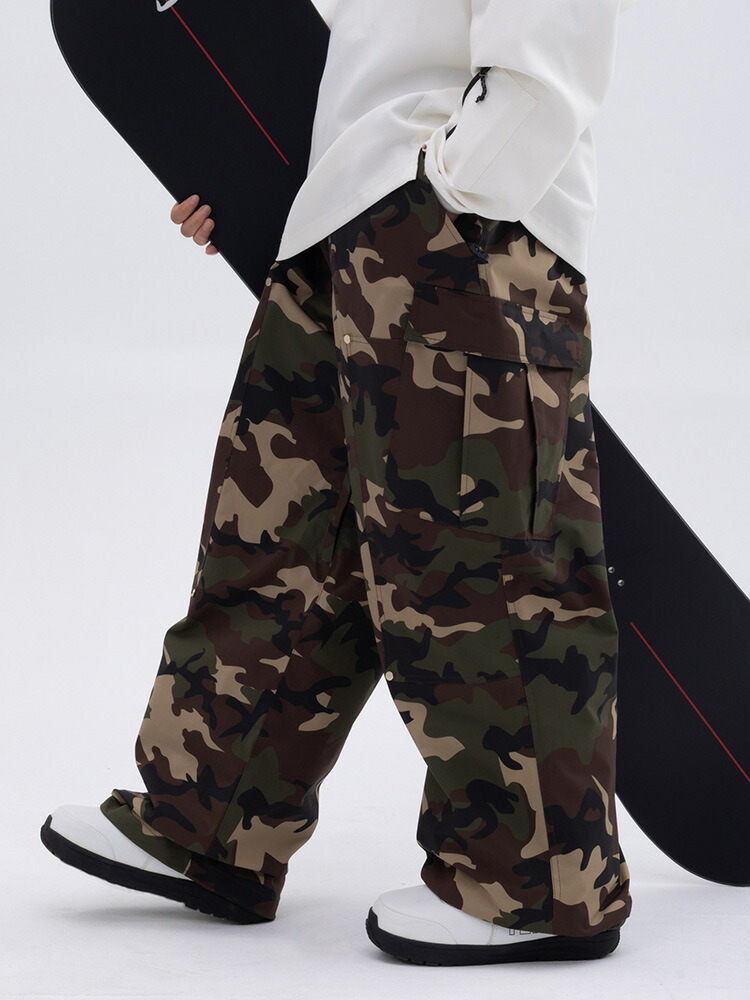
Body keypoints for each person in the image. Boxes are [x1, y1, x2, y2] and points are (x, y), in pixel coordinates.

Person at [40, 0, 637, 966]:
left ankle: (537, 888)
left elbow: (552, 44)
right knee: (285, 538)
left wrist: (453, 189)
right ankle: (212, 824)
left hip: (463, 233)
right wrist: (258, 180)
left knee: (478, 564)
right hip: (339, 219)